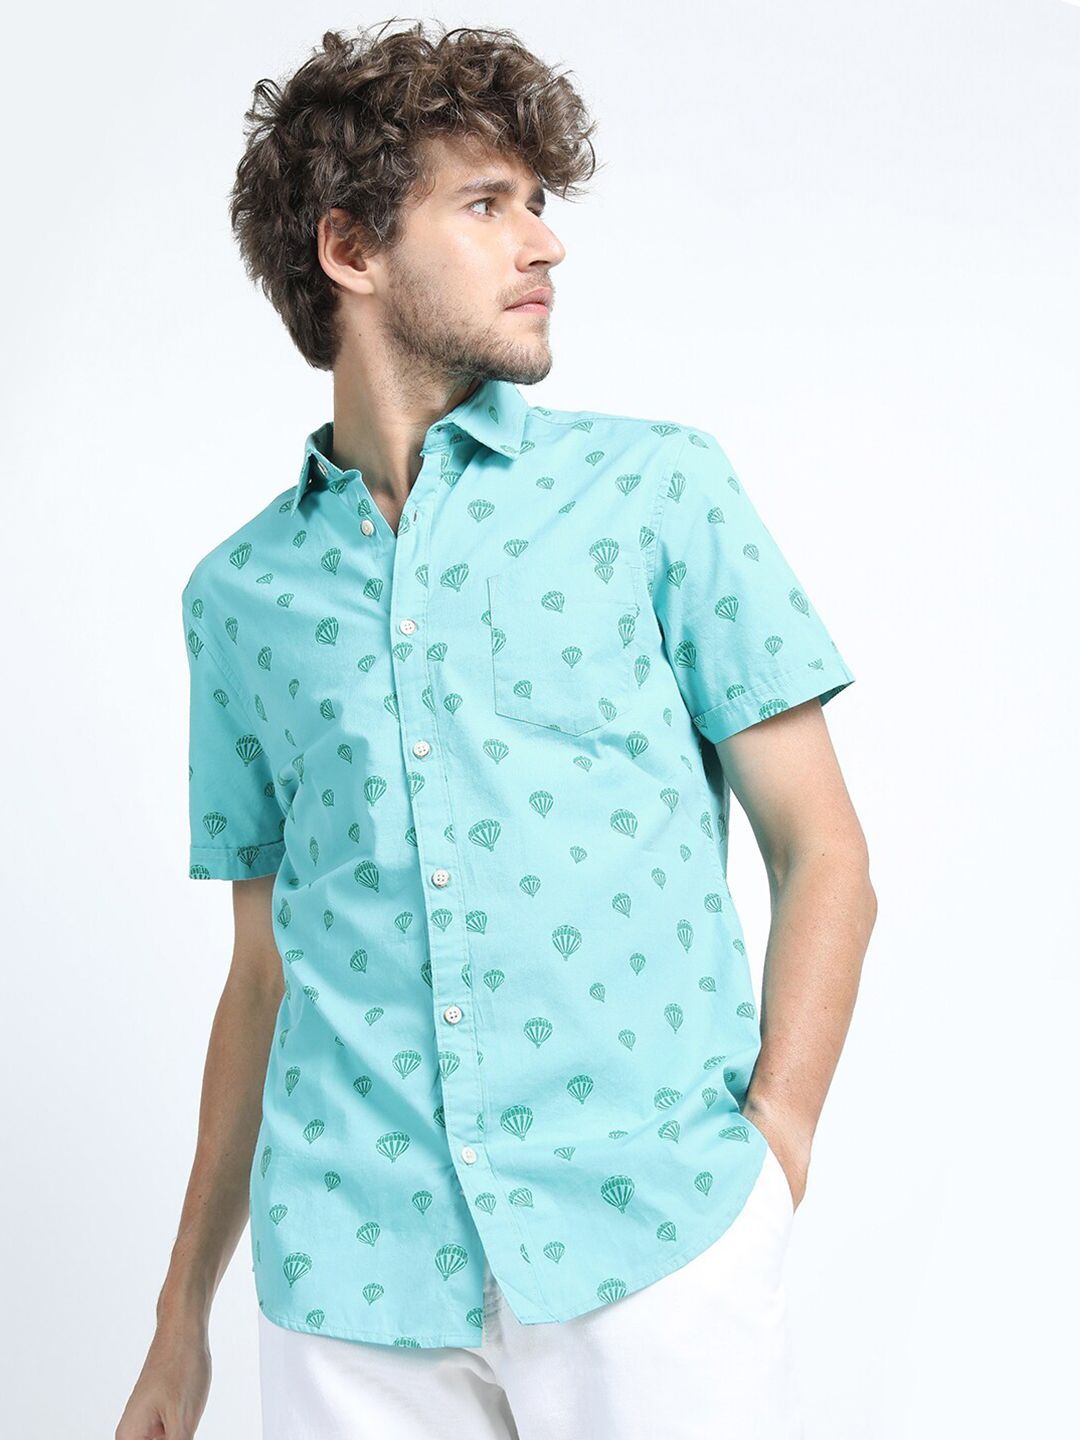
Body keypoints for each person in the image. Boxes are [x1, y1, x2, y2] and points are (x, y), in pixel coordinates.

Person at [117, 18, 876, 1440]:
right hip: (349, 1282)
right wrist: (181, 1320)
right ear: (351, 249)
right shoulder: (239, 598)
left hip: (651, 1238)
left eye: (538, 201)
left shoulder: (658, 494)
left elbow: (823, 850)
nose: (545, 243)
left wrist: (775, 1152)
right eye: (486, 205)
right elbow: (261, 974)